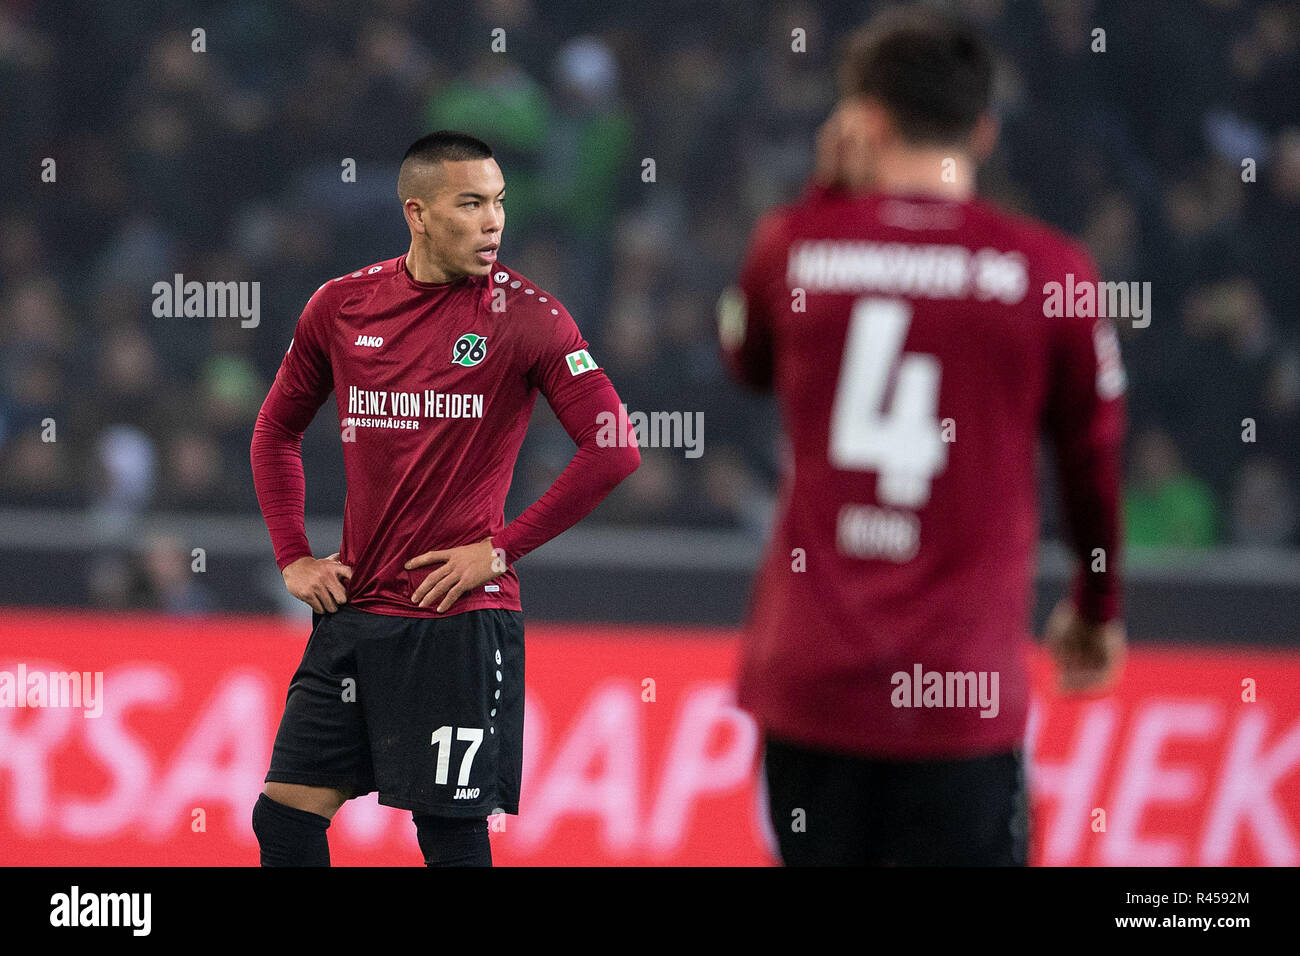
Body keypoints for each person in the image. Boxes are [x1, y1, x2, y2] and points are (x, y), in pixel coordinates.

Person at [719, 8, 1126, 866]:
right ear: (982, 129)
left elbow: (743, 359)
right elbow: (1091, 461)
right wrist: (1096, 611)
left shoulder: (790, 248)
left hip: (813, 690)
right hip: (962, 701)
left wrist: (826, 196)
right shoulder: (1051, 274)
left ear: (860, 122)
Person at [249, 130, 639, 866]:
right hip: (354, 610)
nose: (494, 221)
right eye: (471, 203)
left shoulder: (531, 318)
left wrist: (500, 550)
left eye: (498, 203)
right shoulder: (341, 306)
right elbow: (275, 431)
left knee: (449, 833)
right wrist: (293, 555)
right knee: (284, 818)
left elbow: (614, 446)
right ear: (417, 213)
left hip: (456, 621)